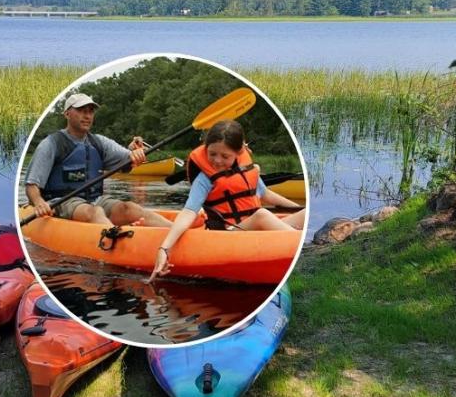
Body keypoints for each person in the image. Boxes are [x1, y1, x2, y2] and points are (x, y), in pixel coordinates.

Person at [146, 119, 305, 283]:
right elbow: (188, 212)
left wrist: (298, 208)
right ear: (206, 148)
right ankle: (303, 248)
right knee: (262, 215)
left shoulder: (244, 169)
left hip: (251, 227)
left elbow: (266, 195)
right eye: (212, 153)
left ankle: (297, 238)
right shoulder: (204, 179)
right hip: (227, 231)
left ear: (238, 153)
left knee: (304, 213)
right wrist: (165, 247)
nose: (217, 160)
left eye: (225, 156)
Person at [24, 93, 172, 227]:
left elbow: (128, 157)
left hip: (96, 200)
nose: (87, 116)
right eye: (82, 110)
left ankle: (175, 230)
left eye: (90, 111)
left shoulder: (99, 142)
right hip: (62, 201)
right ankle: (116, 239)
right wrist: (39, 202)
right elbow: (32, 184)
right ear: (67, 113)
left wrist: (136, 153)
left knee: (129, 208)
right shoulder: (51, 144)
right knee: (94, 212)